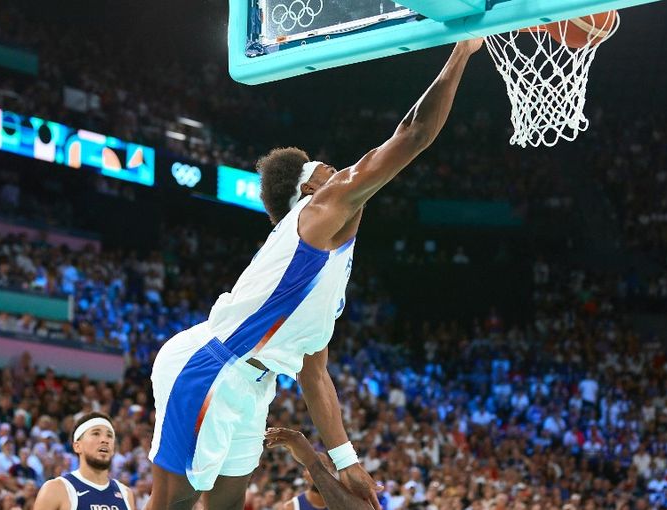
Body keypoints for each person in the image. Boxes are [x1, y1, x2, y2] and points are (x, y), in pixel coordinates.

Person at [145, 37, 485, 510]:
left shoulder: (330, 269)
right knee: (174, 505)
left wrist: (346, 461)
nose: (340, 171)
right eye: (328, 169)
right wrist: (461, 51)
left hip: (254, 384)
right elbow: (413, 135)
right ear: (307, 191)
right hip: (211, 366)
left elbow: (315, 373)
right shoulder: (317, 212)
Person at [33, 412, 135, 510]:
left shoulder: (126, 494)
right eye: (96, 433)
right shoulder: (56, 489)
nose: (105, 440)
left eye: (109, 435)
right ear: (77, 446)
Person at [268, 428, 371, 510]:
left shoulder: (346, 502)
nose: (320, 472)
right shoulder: (291, 507)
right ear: (305, 474)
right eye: (314, 467)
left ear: (332, 470)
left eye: (325, 466)